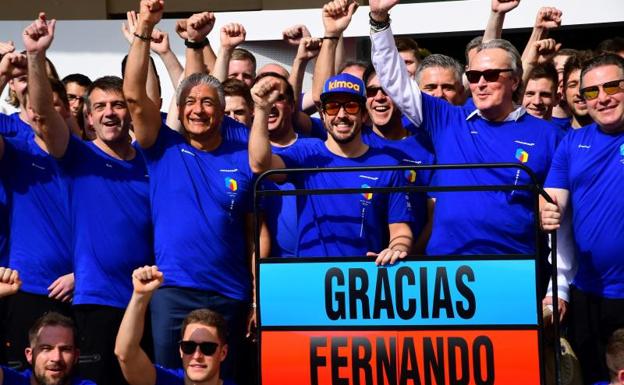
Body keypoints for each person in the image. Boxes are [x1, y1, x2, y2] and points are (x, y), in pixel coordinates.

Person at [123, 3, 265, 380]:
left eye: (207, 102)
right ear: (178, 109)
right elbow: (135, 95)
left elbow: (254, 236)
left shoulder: (243, 154)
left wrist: (255, 295)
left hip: (231, 295)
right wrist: (144, 32)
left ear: (221, 112)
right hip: (173, 292)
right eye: (189, 102)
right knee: (172, 379)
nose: (198, 110)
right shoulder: (162, 146)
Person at [369, 0, 562, 257]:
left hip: (514, 269)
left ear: (515, 80)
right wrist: (379, 20)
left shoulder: (549, 135)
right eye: (473, 76)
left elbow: (558, 209)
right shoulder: (448, 119)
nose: (481, 83)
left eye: (491, 75)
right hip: (448, 268)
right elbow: (395, 82)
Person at [26, 13, 153, 384]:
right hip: (96, 302)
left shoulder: (152, 160)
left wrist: (141, 40)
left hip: (145, 302)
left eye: (117, 105)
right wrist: (36, 56)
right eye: (100, 107)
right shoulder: (77, 157)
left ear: (130, 112)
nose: (110, 113)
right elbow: (45, 118)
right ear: (89, 118)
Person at [250, 71, 413, 261]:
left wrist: (396, 248)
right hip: (311, 276)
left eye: (351, 106)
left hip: (364, 276)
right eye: (333, 107)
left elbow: (401, 228)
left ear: (364, 116)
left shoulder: (388, 164)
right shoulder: (307, 153)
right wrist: (261, 109)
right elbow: (260, 166)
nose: (341, 115)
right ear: (323, 114)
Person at [541, 53, 624, 385]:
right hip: (588, 292)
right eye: (591, 91)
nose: (602, 98)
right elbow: (553, 200)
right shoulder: (572, 143)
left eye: (612, 86)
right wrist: (546, 209)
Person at [0, 14, 76, 369]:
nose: (42, 111)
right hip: (25, 287)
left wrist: (83, 274)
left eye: (53, 104)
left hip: (81, 291)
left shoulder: (86, 154)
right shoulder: (17, 148)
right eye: (34, 104)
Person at [116, 266, 235, 385]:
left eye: (208, 348)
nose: (197, 355)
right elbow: (125, 354)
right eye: (188, 347)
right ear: (181, 351)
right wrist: (140, 296)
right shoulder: (168, 380)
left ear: (223, 353)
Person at [0, 311, 96, 385]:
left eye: (65, 349)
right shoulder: (11, 380)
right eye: (46, 348)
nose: (56, 358)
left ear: (76, 356)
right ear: (30, 355)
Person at [562, 50, 595, 129]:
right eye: (573, 85)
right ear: (563, 92)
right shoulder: (556, 136)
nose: (580, 92)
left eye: (587, 84)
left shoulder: (617, 136)